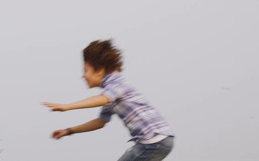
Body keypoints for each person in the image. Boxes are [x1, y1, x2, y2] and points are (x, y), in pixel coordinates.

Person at [43, 40, 174, 161]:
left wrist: (67, 106)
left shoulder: (116, 83)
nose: (83, 76)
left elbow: (103, 99)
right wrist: (68, 131)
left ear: (99, 71)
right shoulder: (111, 93)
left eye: (86, 70)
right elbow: (100, 122)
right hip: (159, 140)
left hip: (153, 141)